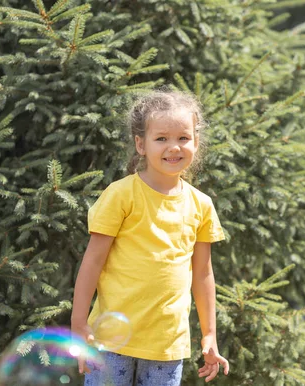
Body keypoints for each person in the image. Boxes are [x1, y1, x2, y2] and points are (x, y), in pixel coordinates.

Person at [71, 88, 230, 386]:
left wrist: (210, 334)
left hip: (167, 346)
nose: (174, 147)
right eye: (162, 139)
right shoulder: (121, 194)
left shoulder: (201, 205)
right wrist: (79, 323)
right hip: (110, 341)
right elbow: (92, 261)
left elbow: (203, 274)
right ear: (140, 144)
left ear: (196, 142)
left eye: (183, 138)